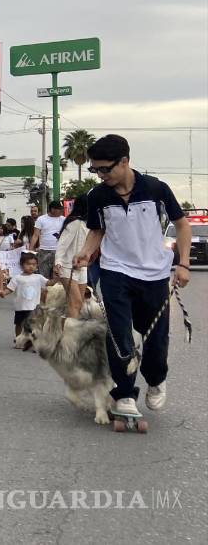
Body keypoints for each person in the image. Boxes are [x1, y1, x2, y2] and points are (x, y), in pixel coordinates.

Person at [75, 134, 191, 418]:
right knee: (118, 334)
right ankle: (124, 392)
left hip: (154, 273)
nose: (100, 175)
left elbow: (182, 224)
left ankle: (156, 379)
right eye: (95, 169)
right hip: (116, 271)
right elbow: (97, 230)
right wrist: (86, 252)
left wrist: (184, 263)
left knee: (156, 338)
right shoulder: (97, 196)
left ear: (124, 161)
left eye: (105, 169)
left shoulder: (155, 188)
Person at [53, 194, 91, 320]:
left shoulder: (88, 224)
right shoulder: (75, 223)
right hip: (67, 267)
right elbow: (62, 245)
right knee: (75, 303)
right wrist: (58, 263)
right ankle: (70, 331)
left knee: (79, 304)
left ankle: (67, 328)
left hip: (82, 268)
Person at [4, 252, 46, 342]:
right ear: (21, 265)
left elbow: (49, 283)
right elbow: (10, 289)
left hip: (34, 307)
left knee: (33, 325)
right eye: (28, 264)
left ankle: (32, 341)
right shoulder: (17, 278)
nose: (31, 266)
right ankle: (18, 340)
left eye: (34, 264)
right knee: (19, 324)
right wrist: (3, 293)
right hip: (21, 307)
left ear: (37, 266)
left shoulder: (38, 277)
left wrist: (57, 278)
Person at [31, 200, 66, 278]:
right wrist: (30, 250)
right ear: (52, 209)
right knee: (43, 275)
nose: (61, 211)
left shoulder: (64, 219)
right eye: (59, 209)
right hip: (44, 251)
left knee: (58, 275)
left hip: (59, 251)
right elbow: (35, 235)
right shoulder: (41, 219)